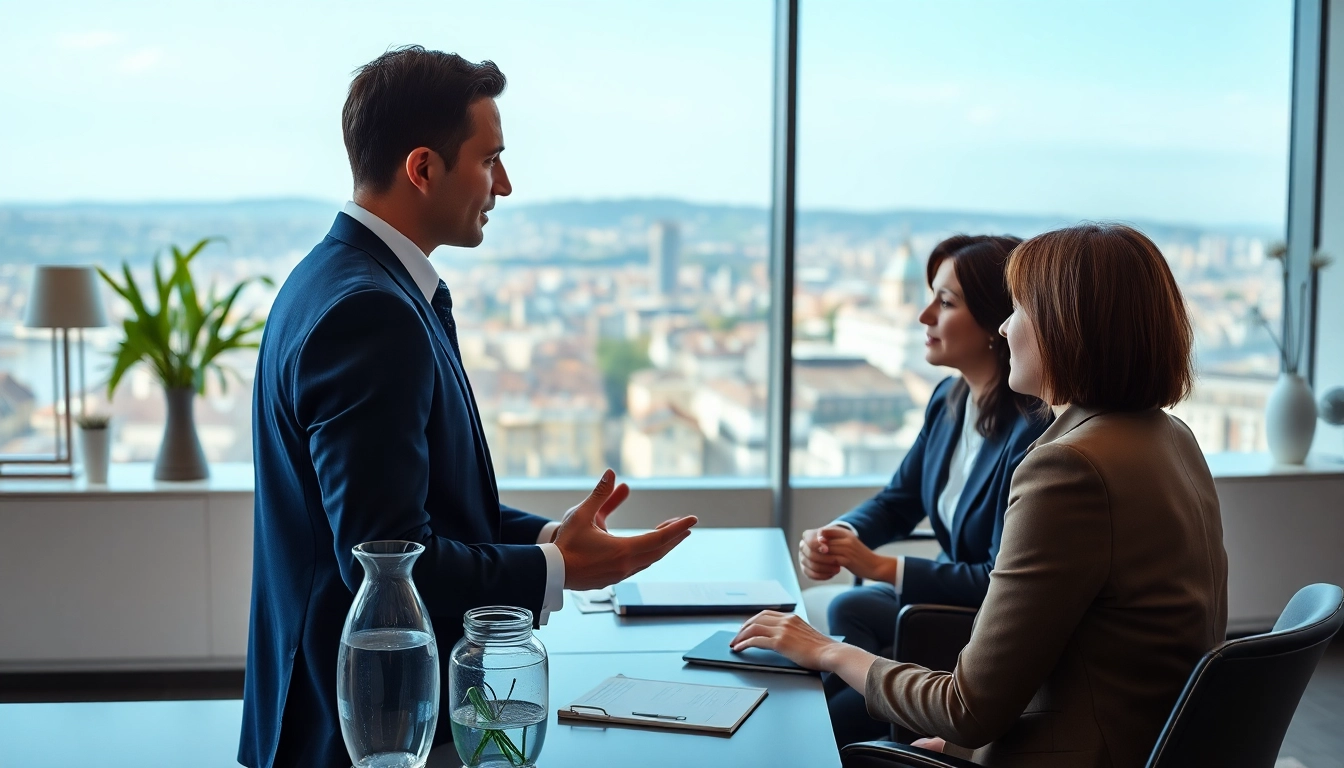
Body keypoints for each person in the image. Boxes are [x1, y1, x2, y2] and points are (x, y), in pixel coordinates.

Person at [238, 47, 698, 768]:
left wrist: (551, 535)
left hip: (339, 712)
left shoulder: (332, 279)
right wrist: (555, 567)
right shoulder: (371, 312)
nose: (506, 185)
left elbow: (409, 511)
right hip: (368, 731)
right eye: (490, 160)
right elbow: (389, 562)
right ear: (423, 168)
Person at [736, 223, 1228, 768]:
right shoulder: (1169, 436)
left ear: (1064, 328)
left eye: (1016, 310)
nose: (1006, 326)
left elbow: (968, 709)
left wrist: (827, 651)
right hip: (1144, 737)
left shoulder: (1068, 467)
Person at [799, 235, 1052, 746]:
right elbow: (900, 499)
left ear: (995, 323)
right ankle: (837, 727)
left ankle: (828, 735)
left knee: (836, 688)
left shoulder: (1029, 431)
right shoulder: (949, 400)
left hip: (976, 630)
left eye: (946, 302)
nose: (923, 315)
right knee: (851, 612)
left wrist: (878, 567)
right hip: (940, 615)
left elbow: (995, 579)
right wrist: (839, 534)